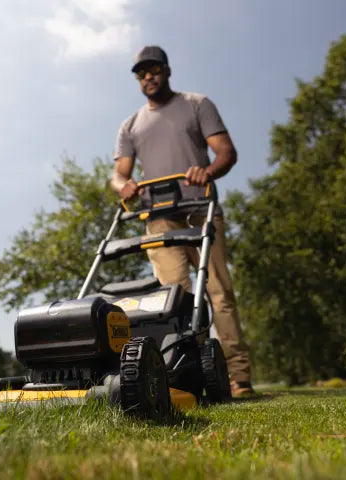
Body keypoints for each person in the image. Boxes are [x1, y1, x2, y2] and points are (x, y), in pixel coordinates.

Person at [110, 45, 253, 397]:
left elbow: (226, 153)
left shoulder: (196, 104)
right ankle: (191, 374)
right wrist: (123, 186)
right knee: (174, 299)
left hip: (200, 211)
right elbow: (118, 175)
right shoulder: (130, 125)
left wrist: (206, 171)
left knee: (219, 293)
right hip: (158, 219)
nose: (148, 77)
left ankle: (238, 376)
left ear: (167, 70)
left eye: (153, 69)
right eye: (141, 73)